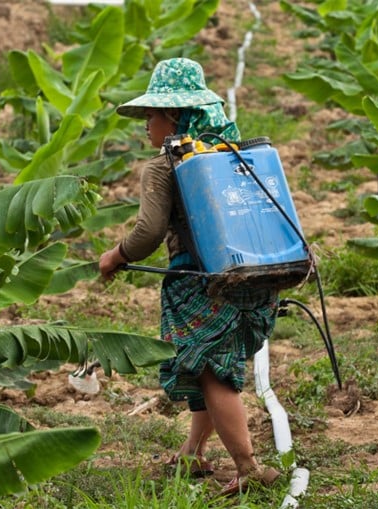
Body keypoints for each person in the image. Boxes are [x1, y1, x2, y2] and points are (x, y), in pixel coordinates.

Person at [98, 58, 281, 496]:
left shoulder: (167, 165)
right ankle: (192, 451)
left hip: (202, 283)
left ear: (174, 116)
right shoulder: (235, 153)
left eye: (151, 115)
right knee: (208, 365)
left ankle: (249, 467)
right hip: (259, 275)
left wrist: (115, 256)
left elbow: (148, 233)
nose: (146, 126)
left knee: (211, 372)